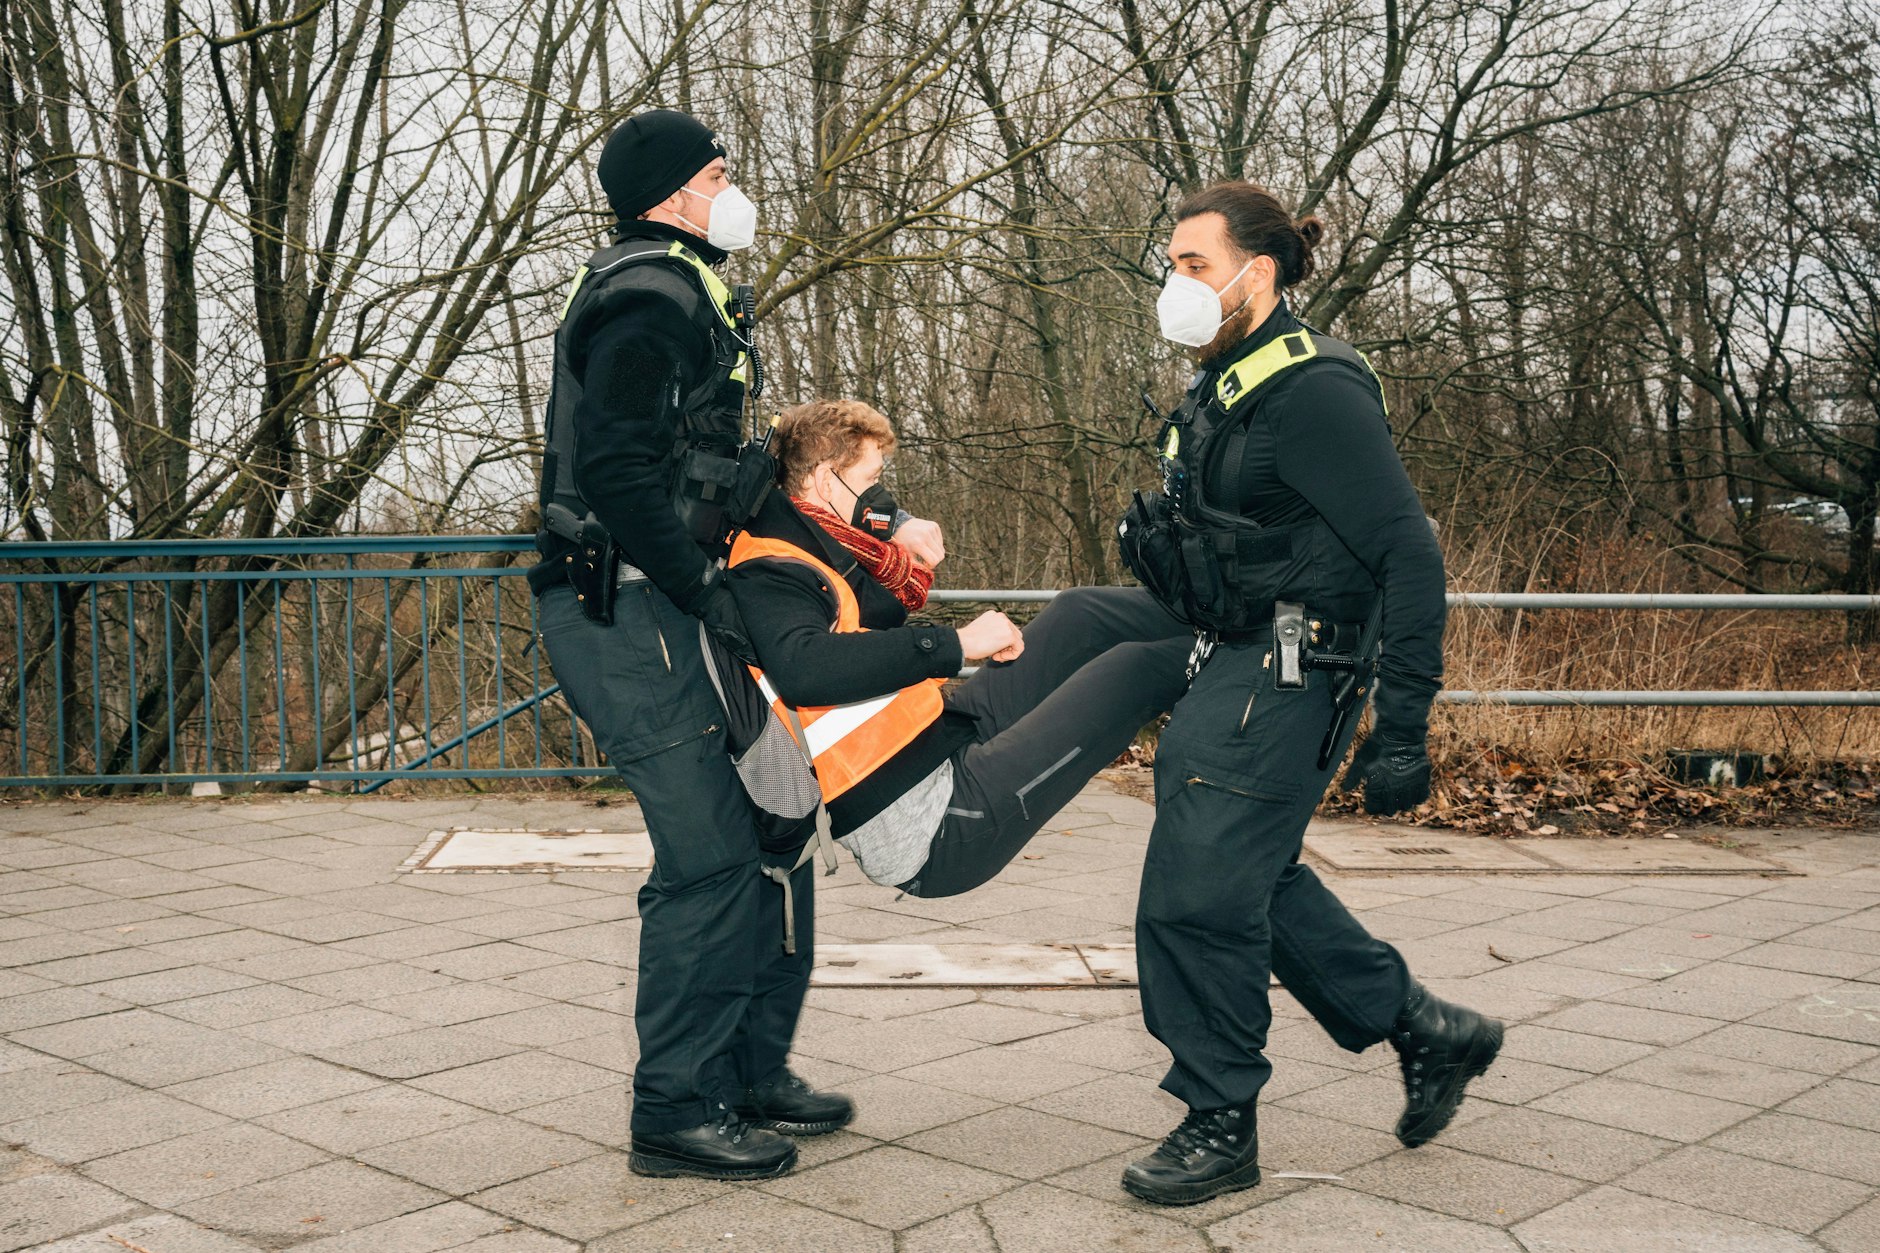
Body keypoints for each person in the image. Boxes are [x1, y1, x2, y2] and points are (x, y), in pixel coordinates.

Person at [1111, 181, 1505, 1205]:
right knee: (1249, 873)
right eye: (1170, 263)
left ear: (1260, 271)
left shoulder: (1311, 387)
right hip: (1237, 653)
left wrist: (1403, 725)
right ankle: (1427, 1027)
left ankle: (1217, 1117)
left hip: (1292, 664)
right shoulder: (1223, 380)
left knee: (1193, 895)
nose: (1174, 282)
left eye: (1192, 263)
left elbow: (1407, 555)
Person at [528, 109, 858, 1182]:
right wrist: (702, 586)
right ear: (672, 192)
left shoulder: (681, 287)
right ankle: (674, 1106)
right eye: (718, 172)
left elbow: (701, 463)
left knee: (780, 818)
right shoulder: (647, 298)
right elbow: (619, 470)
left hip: (662, 608)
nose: (731, 186)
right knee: (711, 858)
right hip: (626, 612)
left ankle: (748, 1067)